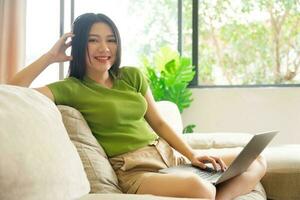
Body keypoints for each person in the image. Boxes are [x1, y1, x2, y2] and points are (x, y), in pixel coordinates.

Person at [8, 13, 267, 200]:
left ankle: (218, 198)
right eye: (93, 40)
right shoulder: (70, 88)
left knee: (256, 158)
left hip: (169, 157)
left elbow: (159, 122)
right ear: (79, 45)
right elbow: (12, 91)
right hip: (135, 172)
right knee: (202, 189)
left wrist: (192, 155)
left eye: (111, 40)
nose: (104, 48)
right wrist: (49, 57)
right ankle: (212, 193)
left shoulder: (131, 76)